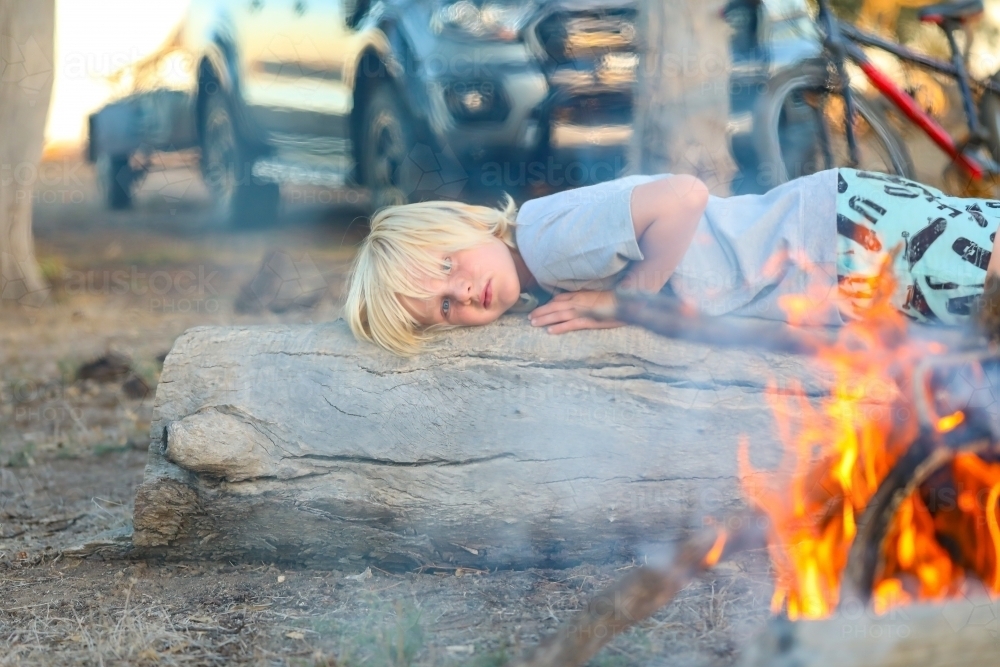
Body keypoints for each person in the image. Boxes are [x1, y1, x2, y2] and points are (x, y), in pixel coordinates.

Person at [345, 168, 1000, 356]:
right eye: (444, 310)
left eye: (446, 267)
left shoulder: (542, 242)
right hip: (836, 237)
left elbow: (682, 197)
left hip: (835, 239)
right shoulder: (538, 268)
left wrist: (629, 301)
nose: (463, 293)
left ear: (465, 223)